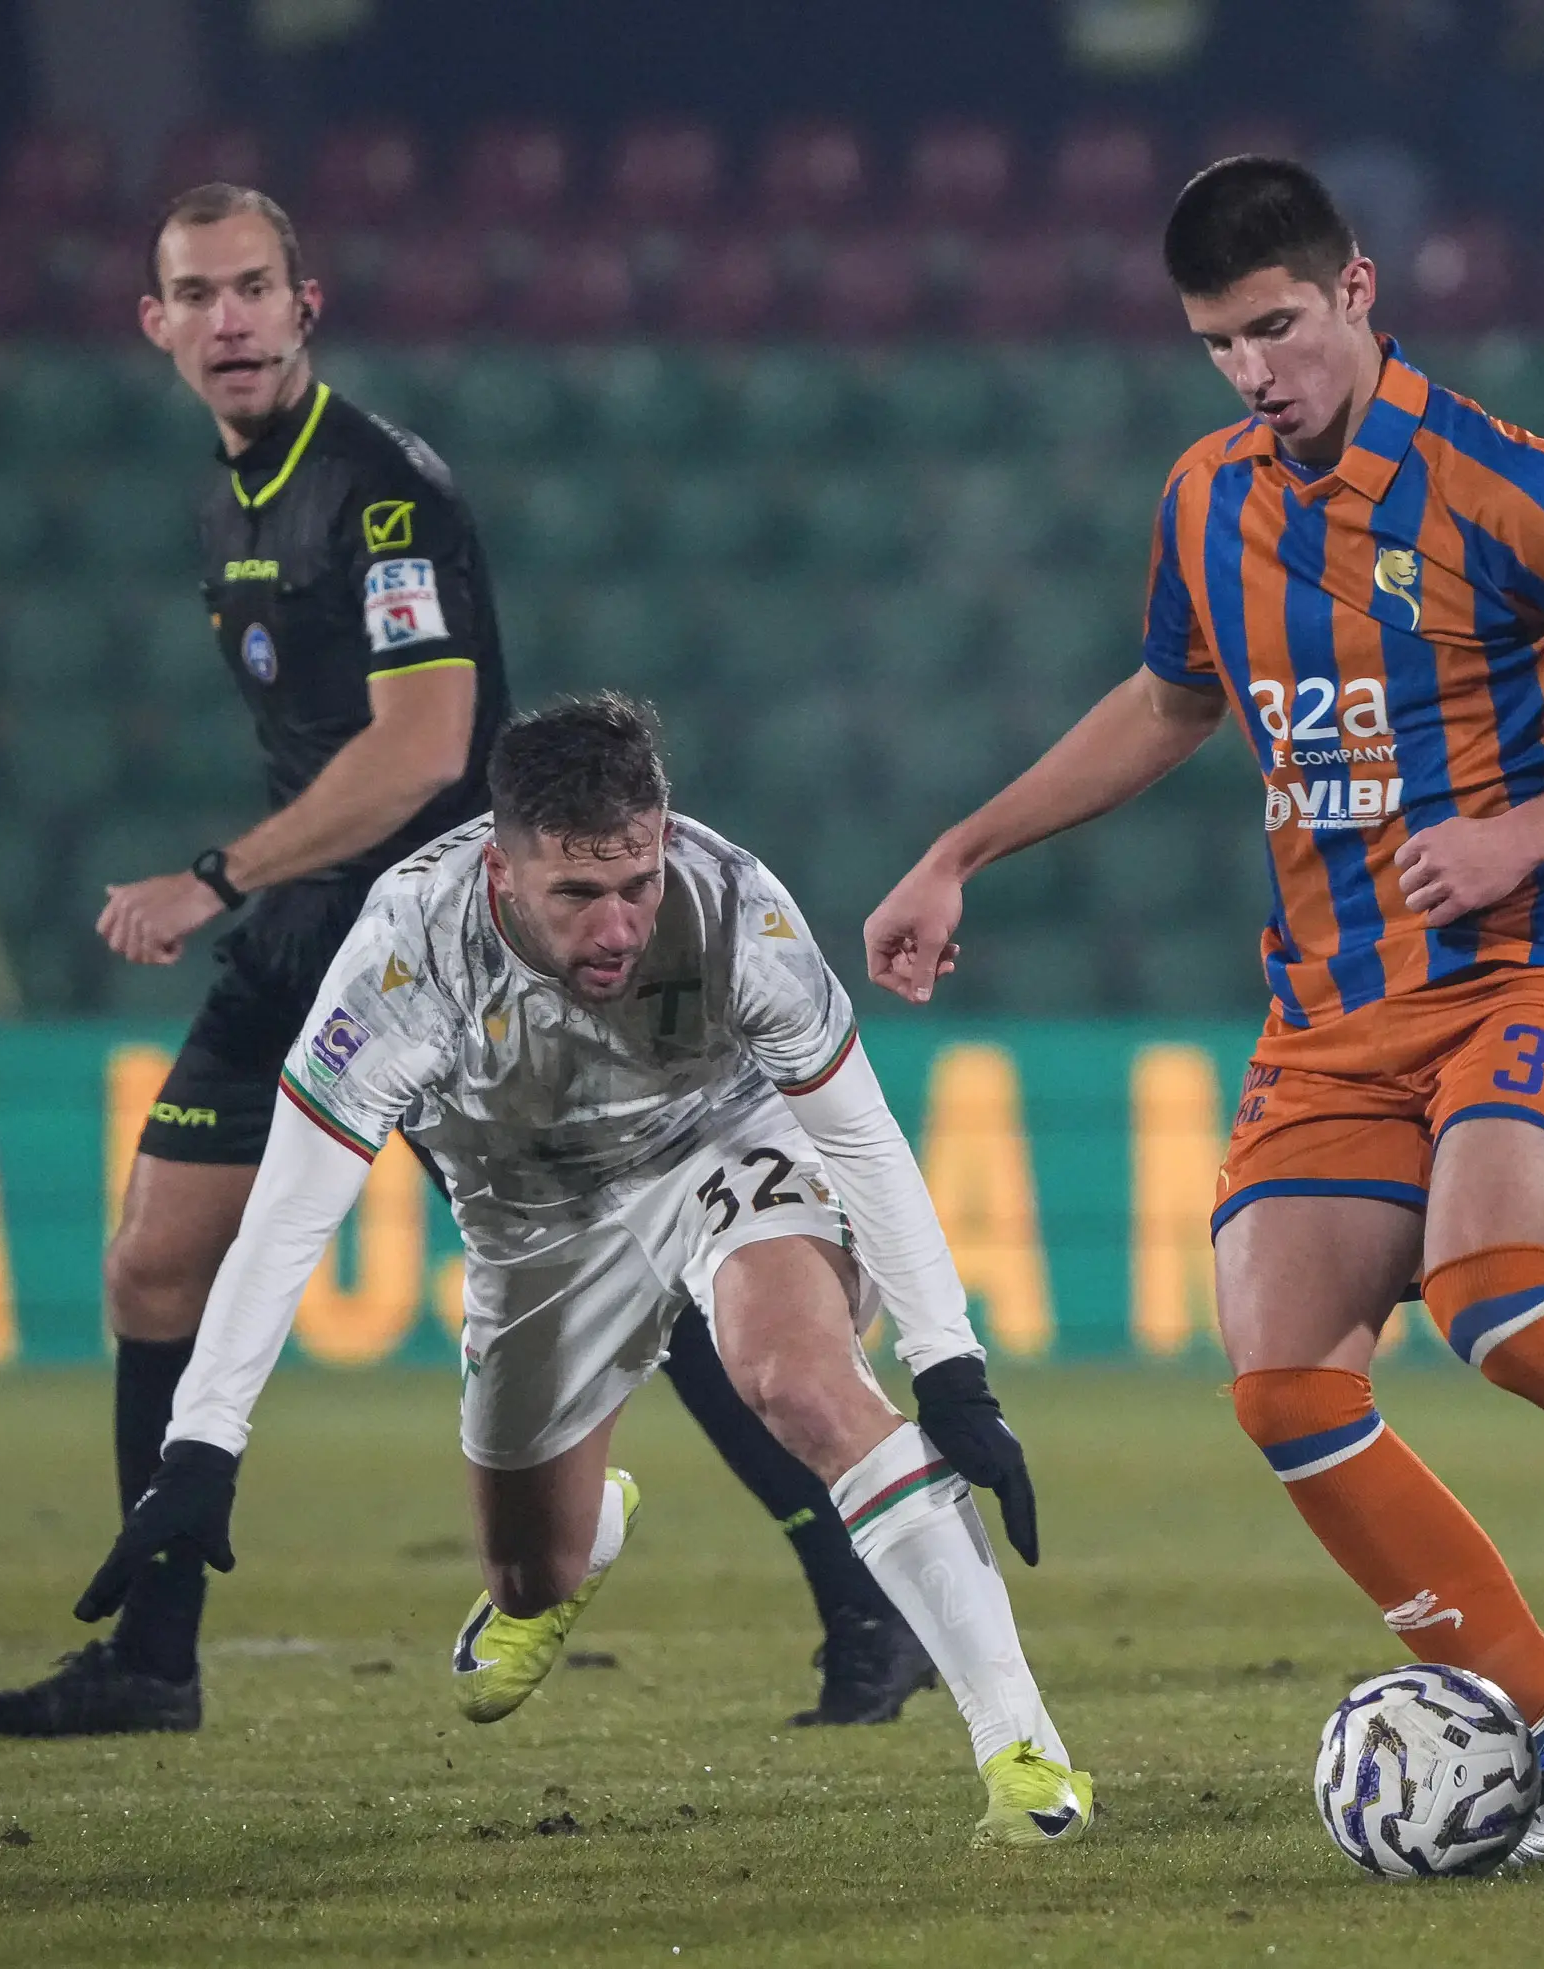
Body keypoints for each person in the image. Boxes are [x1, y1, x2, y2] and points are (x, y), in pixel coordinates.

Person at [864, 156, 1544, 1865]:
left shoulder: (1499, 486)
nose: (1251, 369)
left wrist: (1523, 828)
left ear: (1359, 291)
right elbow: (1169, 702)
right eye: (1217, 342)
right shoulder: (1203, 496)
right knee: (1283, 1381)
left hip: (1523, 967)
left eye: (1278, 327)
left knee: (1491, 1296)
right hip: (1326, 1012)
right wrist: (961, 849)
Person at [0, 183, 930, 1741]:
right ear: (155, 324)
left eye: (253, 288)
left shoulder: (378, 494)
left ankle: (866, 1606)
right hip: (298, 931)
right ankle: (154, 1650)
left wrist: (213, 876)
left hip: (436, 941)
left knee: (647, 1282)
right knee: (154, 1258)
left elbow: (422, 747)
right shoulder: (234, 495)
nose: (228, 319)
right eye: (195, 294)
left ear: (304, 301)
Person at [75, 695, 1093, 1848]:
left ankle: (1022, 1748)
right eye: (577, 895)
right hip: (532, 1220)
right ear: (502, 872)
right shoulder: (404, 955)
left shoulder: (728, 902)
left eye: (636, 884)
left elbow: (858, 1135)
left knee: (802, 1382)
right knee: (525, 1574)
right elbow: (289, 1215)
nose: (618, 926)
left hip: (722, 1149)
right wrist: (204, 1440)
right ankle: (584, 1536)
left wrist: (949, 1363)